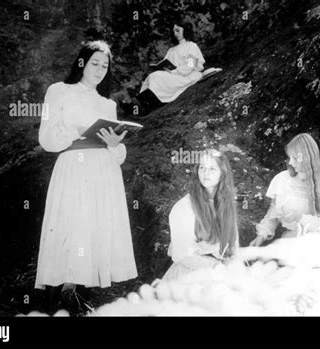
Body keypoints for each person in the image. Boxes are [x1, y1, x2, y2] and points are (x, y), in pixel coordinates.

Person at [35, 40, 138, 314]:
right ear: (81, 62)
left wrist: (116, 144)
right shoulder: (58, 91)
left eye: (105, 66)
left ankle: (81, 300)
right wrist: (77, 130)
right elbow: (45, 138)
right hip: (73, 166)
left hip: (103, 170)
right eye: (95, 63)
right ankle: (52, 300)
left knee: (95, 229)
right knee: (69, 226)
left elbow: (115, 150)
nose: (100, 69)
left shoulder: (107, 104)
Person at [249, 133, 320, 246]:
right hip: (291, 246)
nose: (291, 162)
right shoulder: (283, 179)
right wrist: (261, 236)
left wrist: (299, 217)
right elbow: (273, 215)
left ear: (307, 158)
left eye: (295, 158)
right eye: (290, 157)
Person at [163, 150, 239, 281]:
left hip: (219, 275)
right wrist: (216, 266)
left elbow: (233, 248)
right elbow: (182, 255)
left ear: (223, 173)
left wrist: (232, 265)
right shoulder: (184, 206)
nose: (205, 173)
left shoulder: (226, 206)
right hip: (190, 276)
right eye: (202, 167)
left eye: (212, 168)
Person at [127, 21, 205, 116]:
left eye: (178, 30)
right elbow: (167, 63)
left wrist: (175, 71)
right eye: (174, 31)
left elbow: (190, 65)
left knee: (157, 77)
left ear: (185, 30)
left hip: (187, 75)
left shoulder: (191, 46)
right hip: (173, 74)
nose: (175, 33)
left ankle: (141, 105)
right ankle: (136, 105)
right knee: (153, 76)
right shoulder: (172, 49)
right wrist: (163, 68)